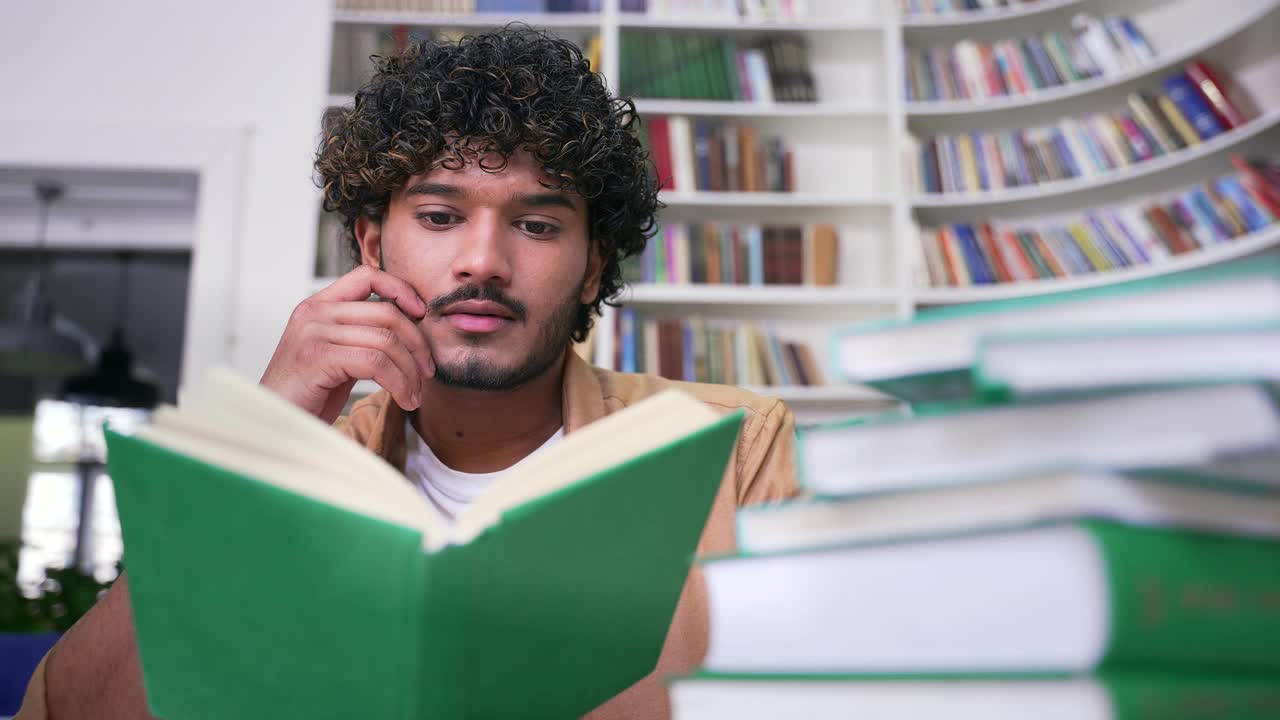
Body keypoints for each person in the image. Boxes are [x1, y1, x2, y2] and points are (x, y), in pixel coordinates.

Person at [17, 26, 797, 720]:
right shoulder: (284, 477)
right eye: (439, 216)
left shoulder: (737, 453)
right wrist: (260, 436)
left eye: (536, 224)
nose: (483, 261)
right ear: (370, 245)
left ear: (592, 267)